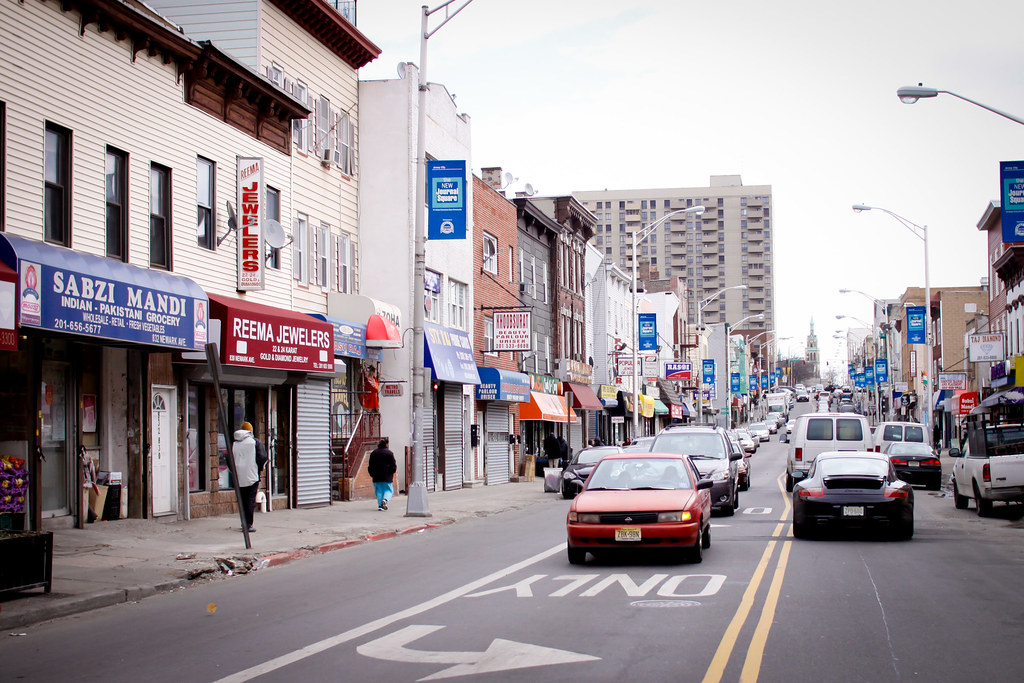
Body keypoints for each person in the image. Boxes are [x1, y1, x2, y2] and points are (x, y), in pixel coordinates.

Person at [233, 421, 261, 533]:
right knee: (250, 500)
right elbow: (262, 457)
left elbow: (229, 460)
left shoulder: (234, 443)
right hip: (252, 475)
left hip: (238, 476)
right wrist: (258, 469)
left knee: (242, 500)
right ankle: (248, 524)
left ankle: (243, 522)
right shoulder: (254, 442)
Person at [368, 437, 397, 511]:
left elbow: (370, 465)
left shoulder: (374, 453)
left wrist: (371, 473)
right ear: (387, 444)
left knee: (379, 491)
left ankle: (380, 506)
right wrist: (392, 472)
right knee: (388, 490)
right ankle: (385, 500)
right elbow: (393, 465)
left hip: (376, 476)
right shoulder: (389, 453)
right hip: (387, 476)